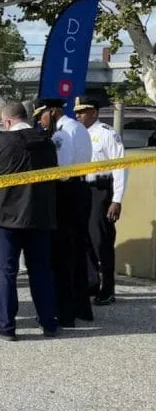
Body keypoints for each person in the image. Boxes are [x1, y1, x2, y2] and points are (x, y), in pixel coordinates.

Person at [0, 102, 60, 340]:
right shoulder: (46, 142)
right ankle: (49, 323)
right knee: (41, 271)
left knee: (7, 273)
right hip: (40, 217)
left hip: (7, 218)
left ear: (7, 121)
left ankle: (6, 326)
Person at [33, 97, 94, 327]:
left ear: (54, 111)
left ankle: (65, 313)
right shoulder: (79, 128)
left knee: (62, 255)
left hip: (65, 194)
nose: (40, 121)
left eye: (42, 115)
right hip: (81, 190)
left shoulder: (61, 135)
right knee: (78, 252)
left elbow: (61, 172)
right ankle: (82, 308)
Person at [75, 95, 126, 306]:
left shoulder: (106, 133)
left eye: (82, 111)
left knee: (100, 240)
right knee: (84, 238)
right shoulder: (78, 134)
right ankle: (91, 282)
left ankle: (108, 288)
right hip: (82, 189)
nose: (77, 115)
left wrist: (117, 199)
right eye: (76, 112)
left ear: (94, 113)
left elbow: (120, 167)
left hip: (101, 190)